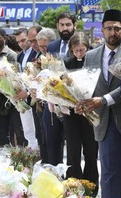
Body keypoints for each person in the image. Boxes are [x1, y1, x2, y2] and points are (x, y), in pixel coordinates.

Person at [79, 9, 121, 198]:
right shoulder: (91, 56)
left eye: (116, 28)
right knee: (109, 170)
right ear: (101, 30)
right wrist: (79, 101)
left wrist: (103, 100)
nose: (112, 32)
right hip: (103, 121)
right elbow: (86, 85)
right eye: (108, 28)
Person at [63, 32, 99, 194]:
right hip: (71, 113)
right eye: (76, 50)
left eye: (82, 50)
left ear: (87, 48)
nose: (79, 53)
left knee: (91, 150)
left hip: (90, 112)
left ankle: (91, 185)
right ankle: (73, 185)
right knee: (73, 150)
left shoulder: (93, 62)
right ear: (71, 50)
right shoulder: (65, 63)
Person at [42, 12, 76, 166]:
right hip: (52, 103)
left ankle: (73, 181)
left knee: (73, 147)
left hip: (74, 103)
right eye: (62, 25)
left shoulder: (81, 44)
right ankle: (54, 178)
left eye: (68, 24)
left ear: (74, 25)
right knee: (52, 142)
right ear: (57, 26)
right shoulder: (52, 46)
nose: (65, 28)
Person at [0, 28, 27, 147]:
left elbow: (14, 76)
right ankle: (3, 159)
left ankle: (22, 157)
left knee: (17, 130)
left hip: (11, 98)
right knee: (1, 133)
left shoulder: (11, 55)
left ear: (4, 38)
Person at [14, 28, 40, 150]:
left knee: (36, 128)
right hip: (22, 96)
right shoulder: (20, 56)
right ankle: (32, 150)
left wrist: (28, 91)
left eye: (23, 40)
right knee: (27, 126)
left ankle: (37, 151)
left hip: (34, 94)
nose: (21, 43)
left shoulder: (36, 53)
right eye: (18, 42)